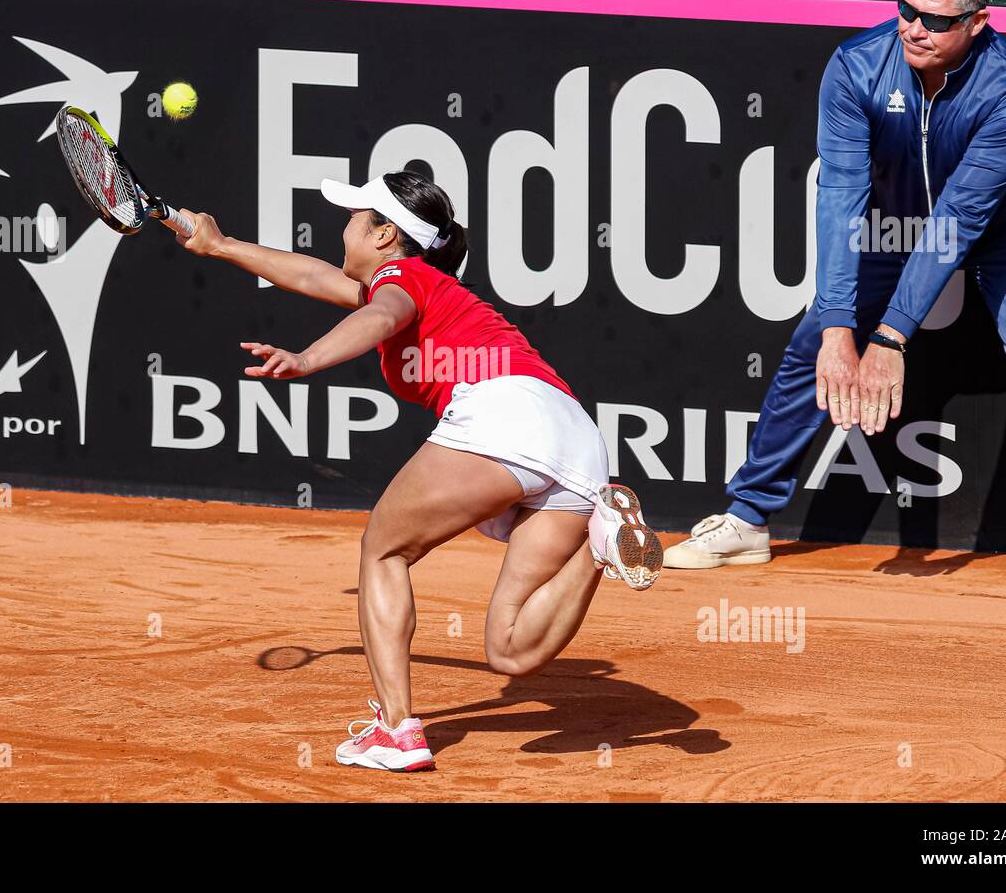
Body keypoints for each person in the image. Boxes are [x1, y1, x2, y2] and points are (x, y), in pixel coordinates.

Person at [177, 170, 663, 771]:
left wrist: (307, 359)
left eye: (356, 217)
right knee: (509, 653)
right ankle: (604, 543)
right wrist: (221, 245)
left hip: (500, 414)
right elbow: (309, 275)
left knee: (384, 551)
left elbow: (379, 320)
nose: (345, 226)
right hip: (575, 436)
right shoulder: (416, 280)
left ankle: (397, 730)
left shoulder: (399, 281)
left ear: (384, 234)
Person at [665, 0, 1006, 594]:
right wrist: (841, 324)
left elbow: (957, 220)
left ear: (978, 23)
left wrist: (891, 335)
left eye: (937, 21)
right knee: (815, 338)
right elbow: (840, 195)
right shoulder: (856, 68)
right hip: (902, 217)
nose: (914, 28)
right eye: (906, 10)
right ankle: (748, 519)